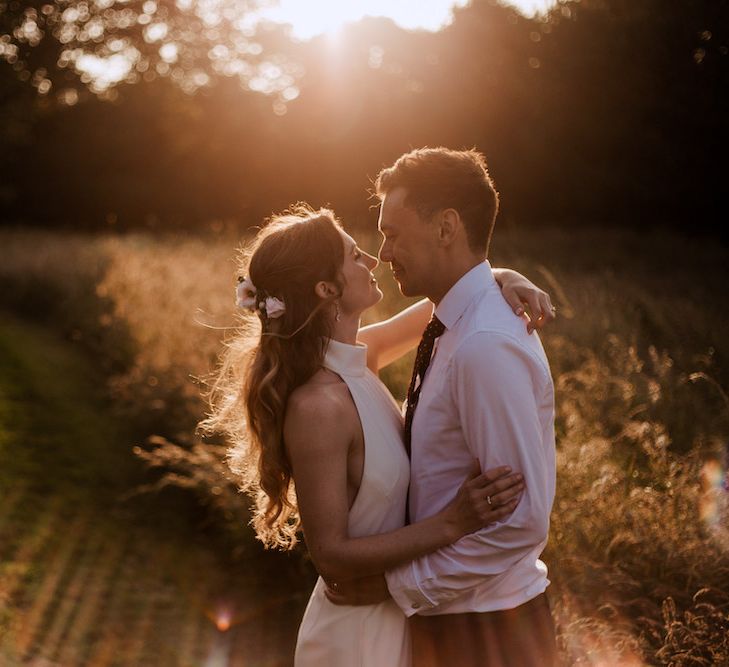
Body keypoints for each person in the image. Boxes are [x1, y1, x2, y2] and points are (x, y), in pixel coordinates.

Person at [201, 204, 554, 666]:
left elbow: (455, 295)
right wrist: (451, 522)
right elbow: (330, 556)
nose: (373, 259)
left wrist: (504, 275)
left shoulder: (362, 357)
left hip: (402, 616)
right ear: (327, 289)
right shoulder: (318, 407)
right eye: (354, 254)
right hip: (358, 633)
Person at [329, 147, 558, 666]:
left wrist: (398, 586)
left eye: (393, 232)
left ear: (447, 227)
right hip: (452, 623)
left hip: (490, 632)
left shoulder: (484, 344)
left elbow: (521, 520)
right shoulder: (450, 320)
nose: (383, 253)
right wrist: (498, 273)